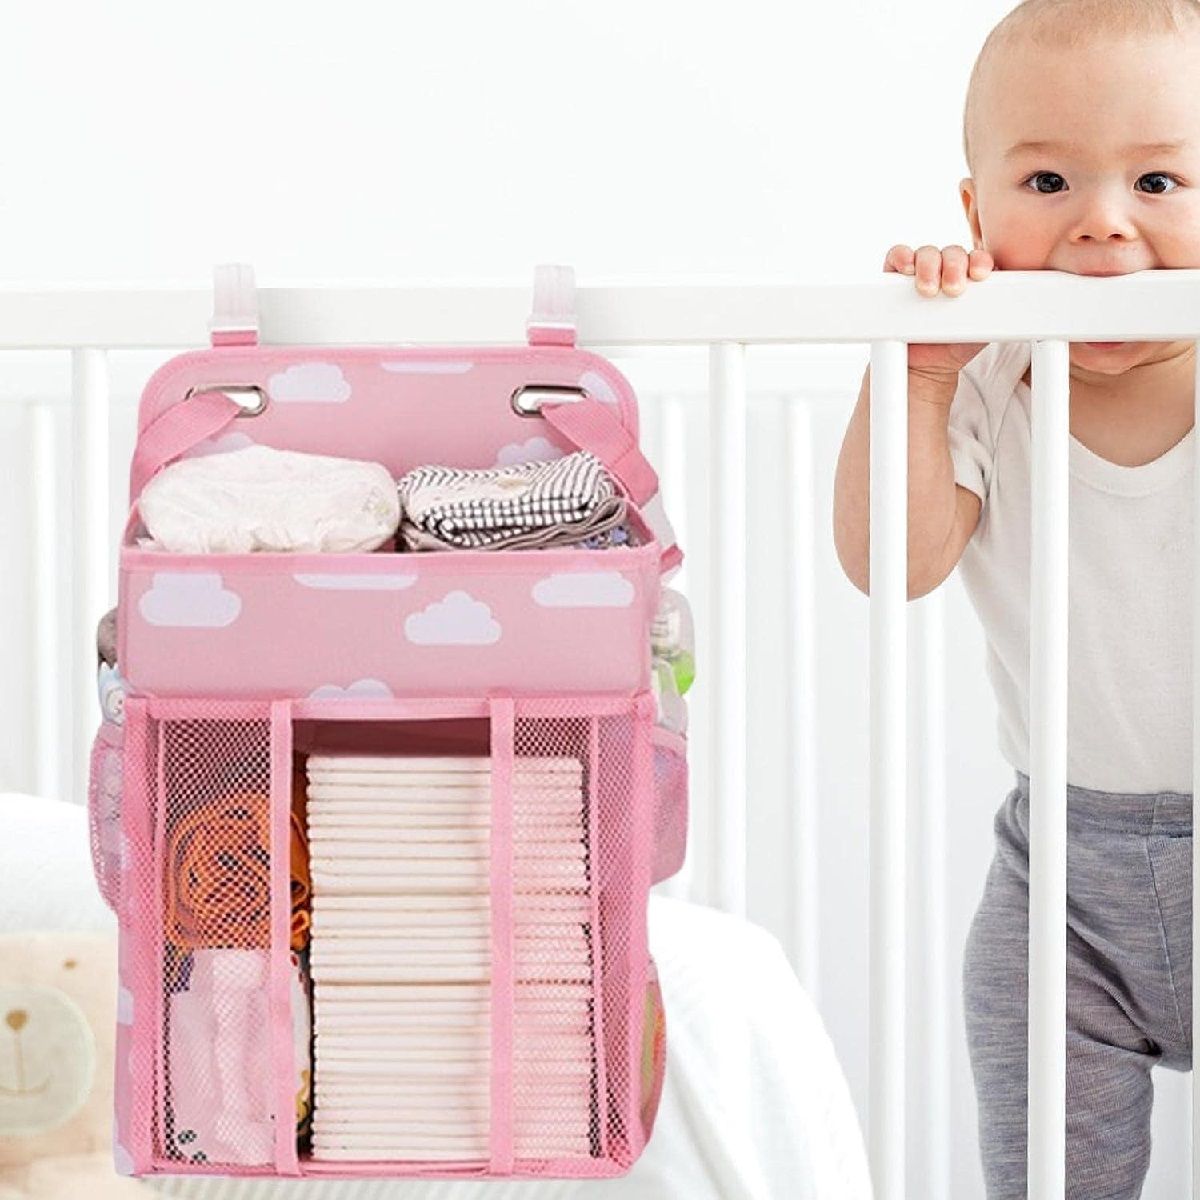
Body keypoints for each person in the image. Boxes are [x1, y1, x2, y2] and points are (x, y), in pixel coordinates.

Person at [832, 1, 1200, 1194]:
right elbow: (892, 563)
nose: (1103, 222)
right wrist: (916, 375)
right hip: (1061, 890)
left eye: (1159, 180)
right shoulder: (989, 377)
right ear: (976, 213)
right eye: (1048, 181)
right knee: (1047, 1171)